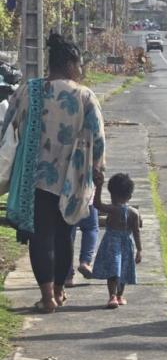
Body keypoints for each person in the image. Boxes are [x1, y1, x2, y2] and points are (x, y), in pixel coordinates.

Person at [1, 33, 106, 313]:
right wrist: (98, 171)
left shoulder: (29, 90)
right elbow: (98, 139)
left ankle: (46, 297)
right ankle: (59, 292)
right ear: (71, 63)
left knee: (41, 236)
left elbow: (8, 126)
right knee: (64, 235)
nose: (81, 71)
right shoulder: (84, 95)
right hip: (72, 178)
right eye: (80, 65)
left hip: (34, 177)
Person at [91, 172, 142, 309]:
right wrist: (139, 250)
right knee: (123, 270)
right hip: (127, 244)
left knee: (114, 271)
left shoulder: (113, 209)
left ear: (112, 194)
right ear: (130, 196)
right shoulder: (134, 213)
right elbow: (136, 232)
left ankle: (112, 296)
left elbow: (97, 204)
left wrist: (98, 187)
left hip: (112, 243)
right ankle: (119, 296)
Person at [64, 206, 99, 287]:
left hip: (67, 199)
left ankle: (67, 276)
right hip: (87, 199)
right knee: (90, 228)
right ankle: (85, 262)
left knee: (68, 234)